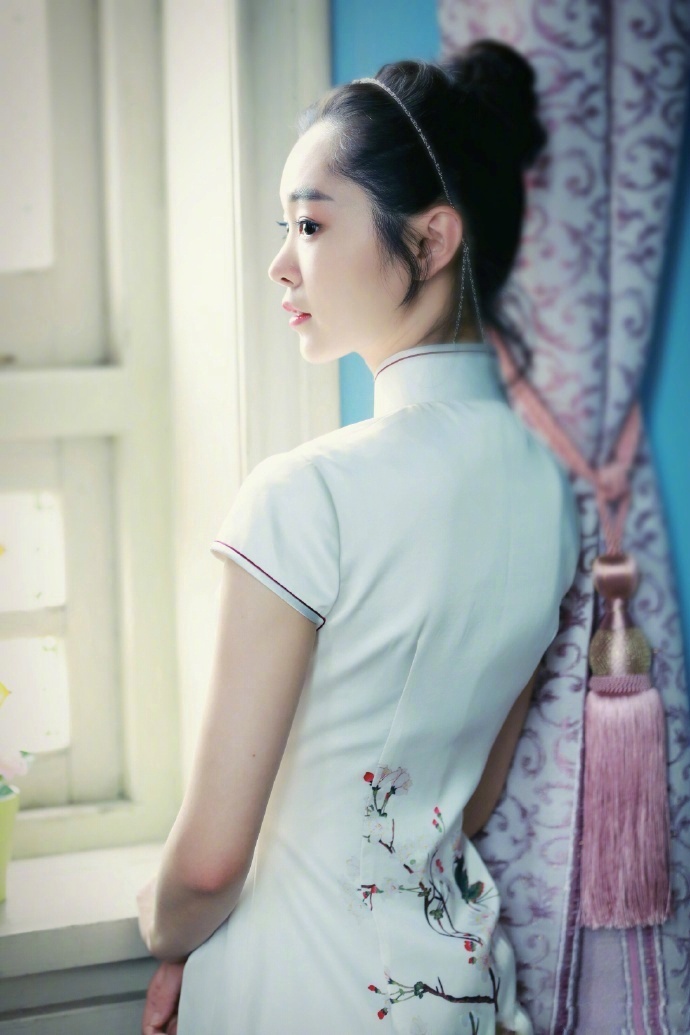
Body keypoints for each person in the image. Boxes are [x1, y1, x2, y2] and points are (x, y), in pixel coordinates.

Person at [137, 39, 580, 1035]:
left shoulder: (305, 494)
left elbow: (207, 866)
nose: (280, 264)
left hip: (299, 986)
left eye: (310, 224)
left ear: (431, 239)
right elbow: (467, 802)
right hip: (463, 993)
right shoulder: (550, 490)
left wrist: (163, 933)